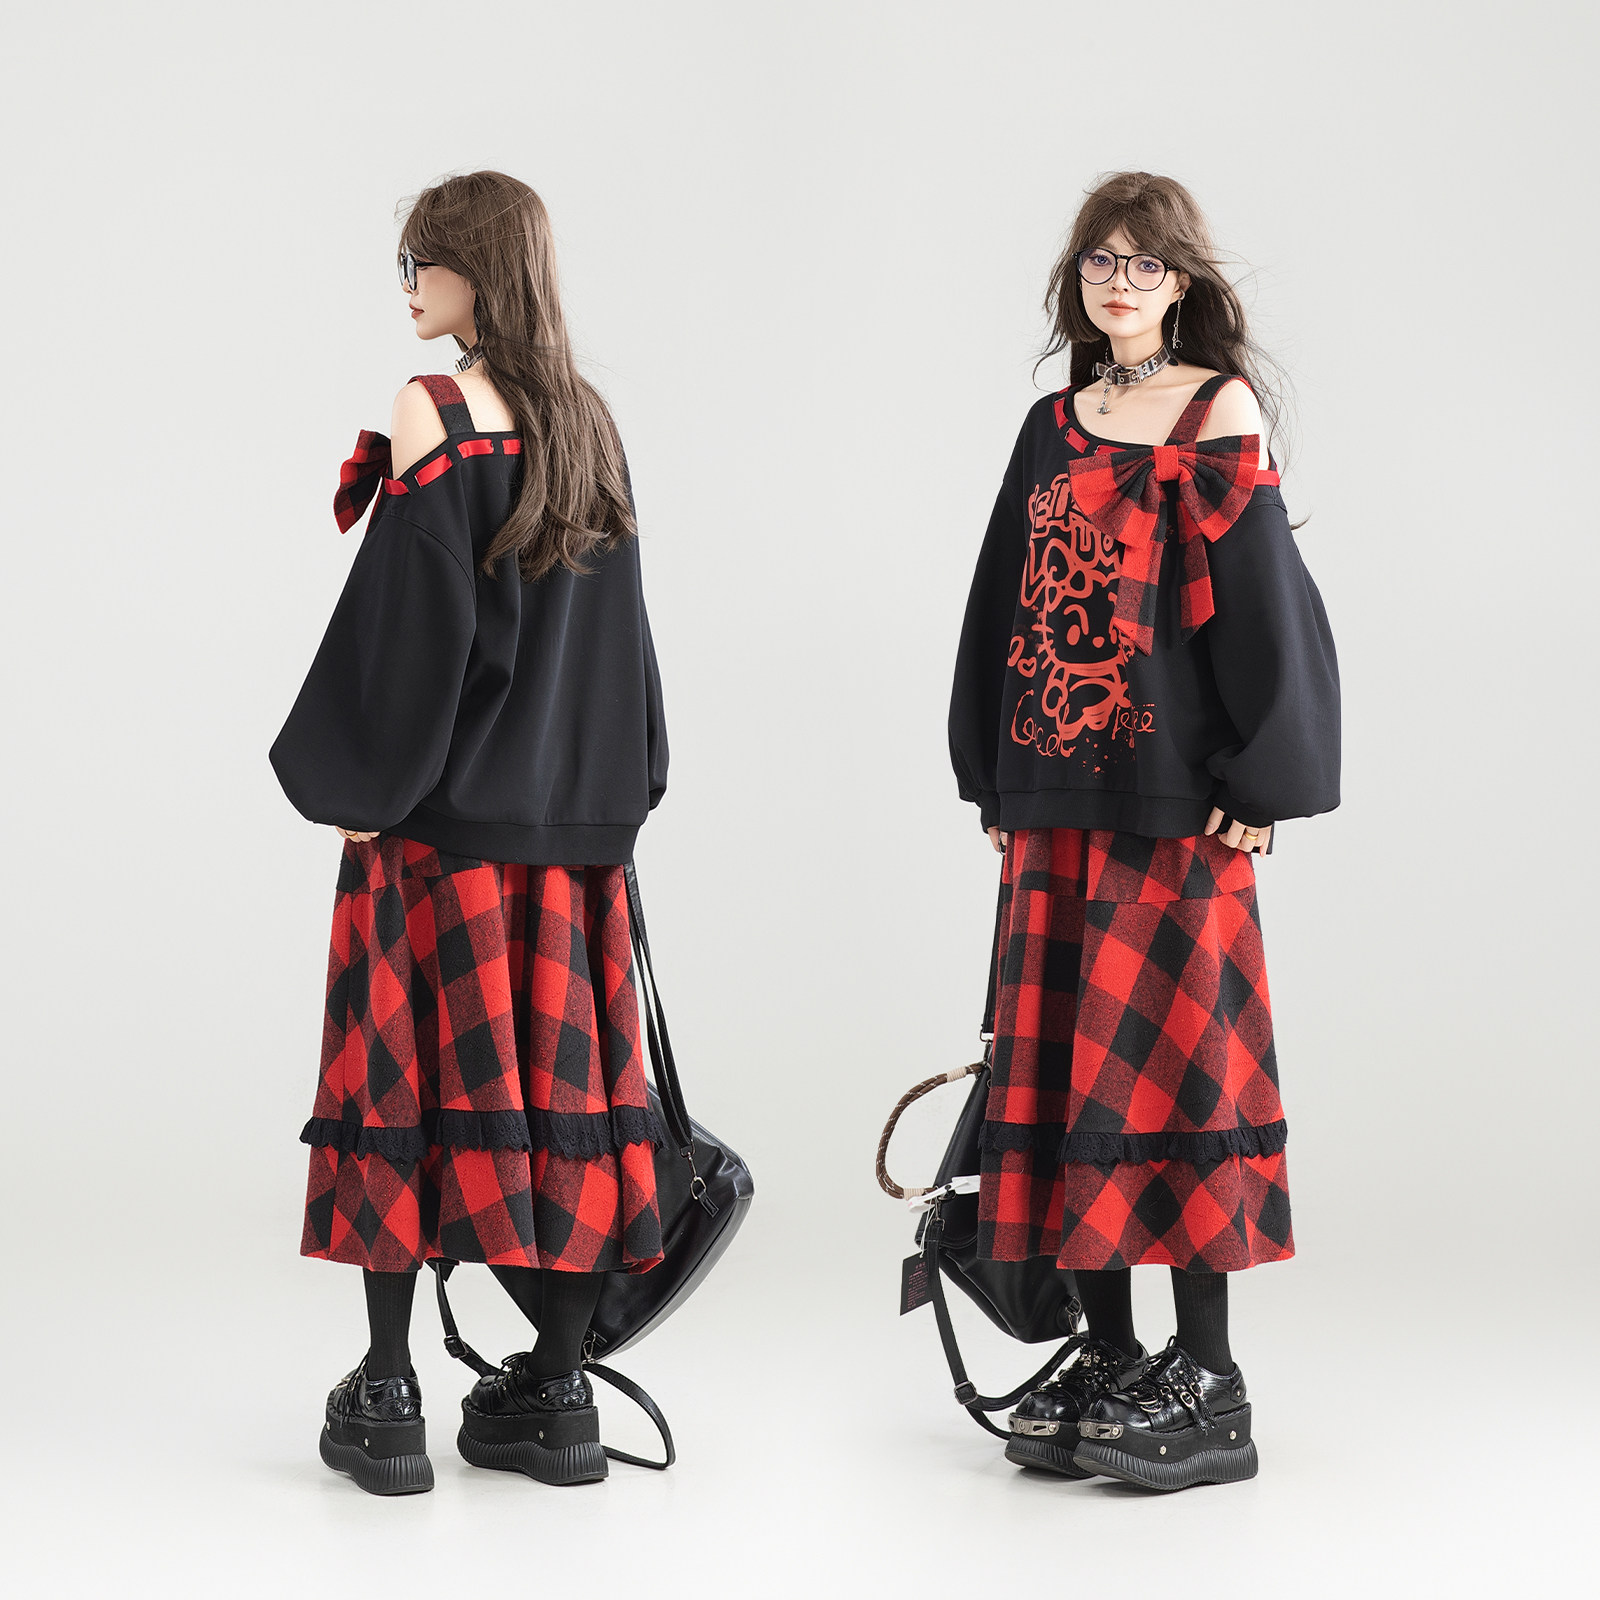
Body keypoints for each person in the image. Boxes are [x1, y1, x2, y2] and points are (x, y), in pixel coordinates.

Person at [270, 170, 669, 1496]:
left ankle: (390, 1395)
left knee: (404, 1094)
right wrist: (618, 792)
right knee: (563, 1101)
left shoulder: (433, 411)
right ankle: (556, 1397)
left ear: (477, 273)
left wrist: (358, 781)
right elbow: (619, 637)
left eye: (422, 264)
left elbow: (410, 630)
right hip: (570, 836)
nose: (409, 289)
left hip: (440, 834)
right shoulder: (589, 422)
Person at [948, 170, 1340, 1492]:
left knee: (1174, 1076)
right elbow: (1001, 598)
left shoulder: (1218, 409)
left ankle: (1210, 1379)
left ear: (1183, 282)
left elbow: (1265, 598)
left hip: (1174, 804)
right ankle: (1114, 1357)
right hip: (1054, 799)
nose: (1120, 282)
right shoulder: (1050, 424)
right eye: (1101, 261)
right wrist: (992, 771)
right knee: (1073, 1081)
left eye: (1145, 263)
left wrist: (1263, 777)